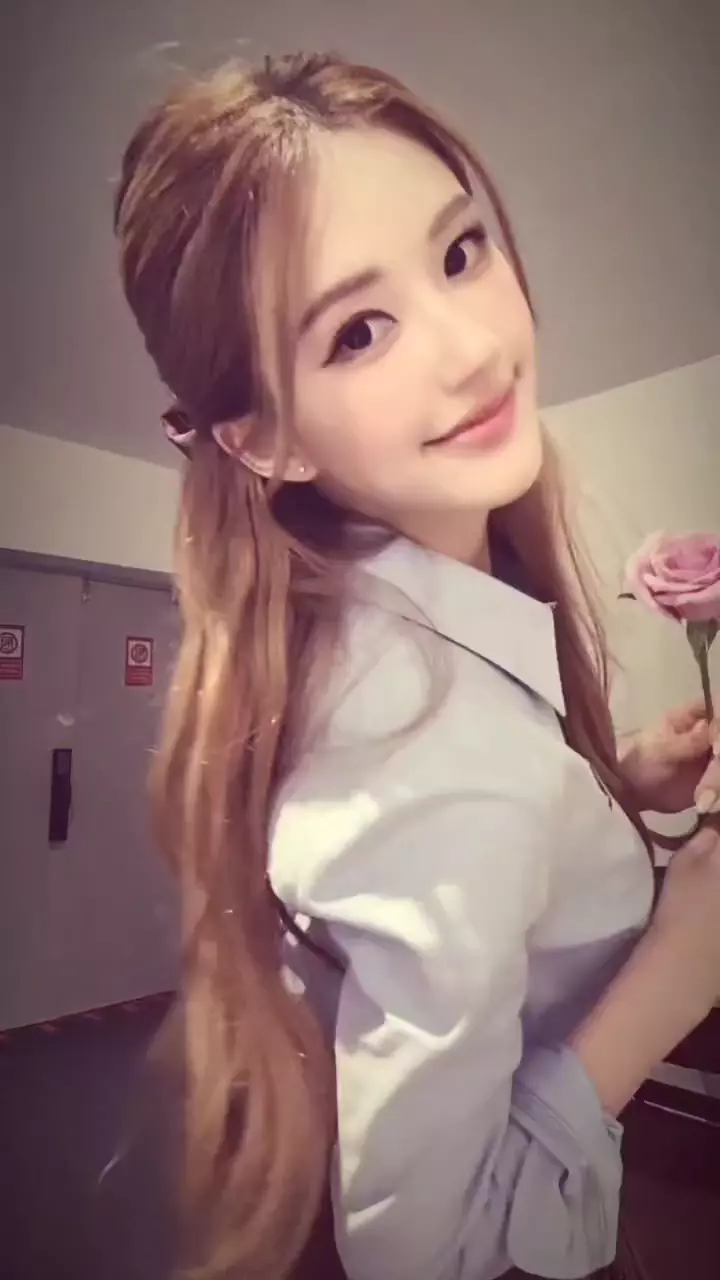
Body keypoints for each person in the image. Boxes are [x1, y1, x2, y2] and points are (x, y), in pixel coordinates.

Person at [113, 52, 720, 1280]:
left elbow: (475, 860)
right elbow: (423, 1252)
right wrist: (680, 967)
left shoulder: (389, 619)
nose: (474, 347)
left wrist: (611, 782)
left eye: (459, 251)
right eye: (357, 331)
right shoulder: (430, 758)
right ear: (264, 439)